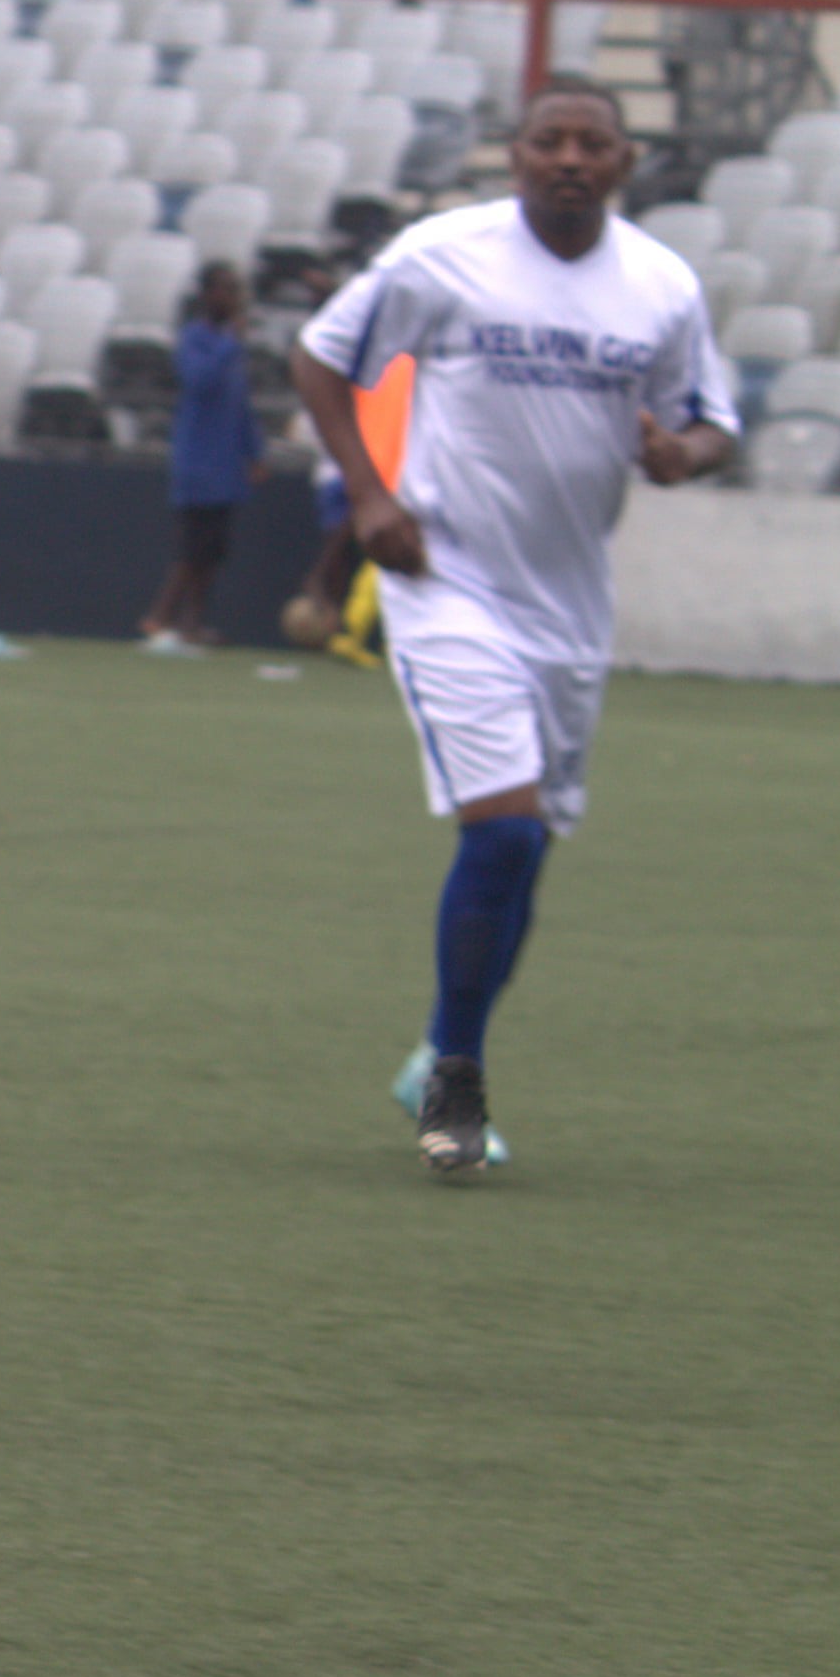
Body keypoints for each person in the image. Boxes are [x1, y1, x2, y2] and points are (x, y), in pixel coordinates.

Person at [286, 76, 733, 1177]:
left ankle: (441, 1045)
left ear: (625, 162)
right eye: (549, 140)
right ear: (516, 156)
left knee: (530, 851)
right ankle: (460, 1077)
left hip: (569, 603)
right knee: (506, 832)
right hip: (446, 577)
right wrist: (369, 495)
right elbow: (319, 355)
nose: (569, 158)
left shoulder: (661, 285)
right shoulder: (445, 254)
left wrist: (684, 454)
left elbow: (712, 417)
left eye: (593, 142)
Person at [140, 259, 262, 651]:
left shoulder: (231, 348)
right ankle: (160, 617)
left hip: (226, 465)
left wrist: (254, 451)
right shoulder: (195, 339)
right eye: (225, 289)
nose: (233, 298)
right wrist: (230, 343)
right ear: (207, 294)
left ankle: (193, 623)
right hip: (197, 461)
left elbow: (240, 404)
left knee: (212, 553)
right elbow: (199, 382)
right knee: (192, 550)